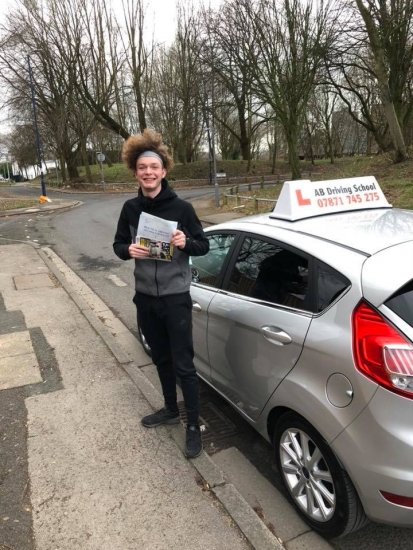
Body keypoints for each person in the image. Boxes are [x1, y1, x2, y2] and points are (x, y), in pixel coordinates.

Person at [113, 129, 209, 459]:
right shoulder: (129, 208)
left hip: (175, 297)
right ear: (135, 172)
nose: (148, 172)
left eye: (154, 167)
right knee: (161, 358)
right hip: (145, 298)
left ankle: (193, 425)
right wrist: (127, 250)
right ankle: (170, 409)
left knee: (184, 365)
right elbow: (117, 245)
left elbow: (203, 245)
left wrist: (186, 243)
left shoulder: (182, 208)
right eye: (142, 168)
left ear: (163, 171)